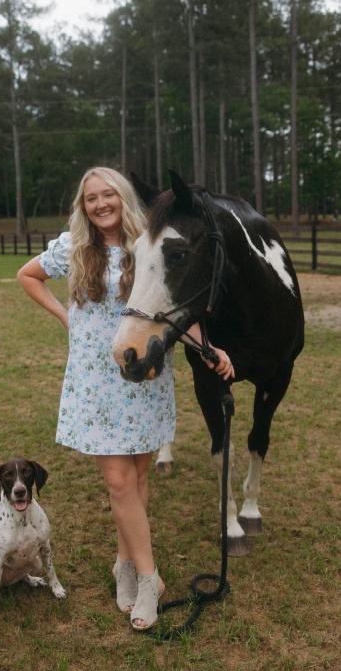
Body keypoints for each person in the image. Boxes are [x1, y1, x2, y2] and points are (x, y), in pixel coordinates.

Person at [17, 167, 234, 630]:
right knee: (119, 482)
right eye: (91, 198)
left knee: (136, 480)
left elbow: (173, 304)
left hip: (145, 374)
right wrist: (64, 317)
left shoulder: (147, 240)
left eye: (107, 194)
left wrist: (208, 347)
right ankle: (150, 578)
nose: (100, 204)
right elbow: (28, 275)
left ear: (123, 197)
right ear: (84, 206)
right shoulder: (73, 249)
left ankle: (124, 563)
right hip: (96, 381)